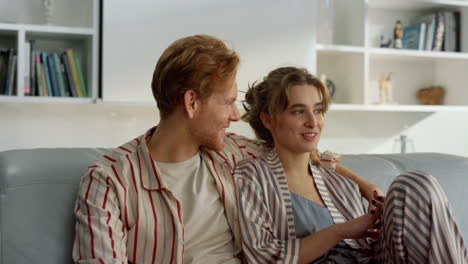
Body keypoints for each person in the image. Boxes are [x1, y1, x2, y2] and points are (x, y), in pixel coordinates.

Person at [72, 35, 383, 263]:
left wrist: (364, 184)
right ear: (191, 103)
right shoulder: (110, 180)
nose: (236, 116)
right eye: (229, 102)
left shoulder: (233, 153)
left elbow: (307, 152)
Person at [235, 66, 468, 263]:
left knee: (415, 184)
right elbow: (264, 256)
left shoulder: (337, 181)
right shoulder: (252, 175)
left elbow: (370, 245)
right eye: (298, 111)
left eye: (318, 110)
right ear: (268, 119)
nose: (313, 122)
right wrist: (343, 230)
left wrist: (382, 217)